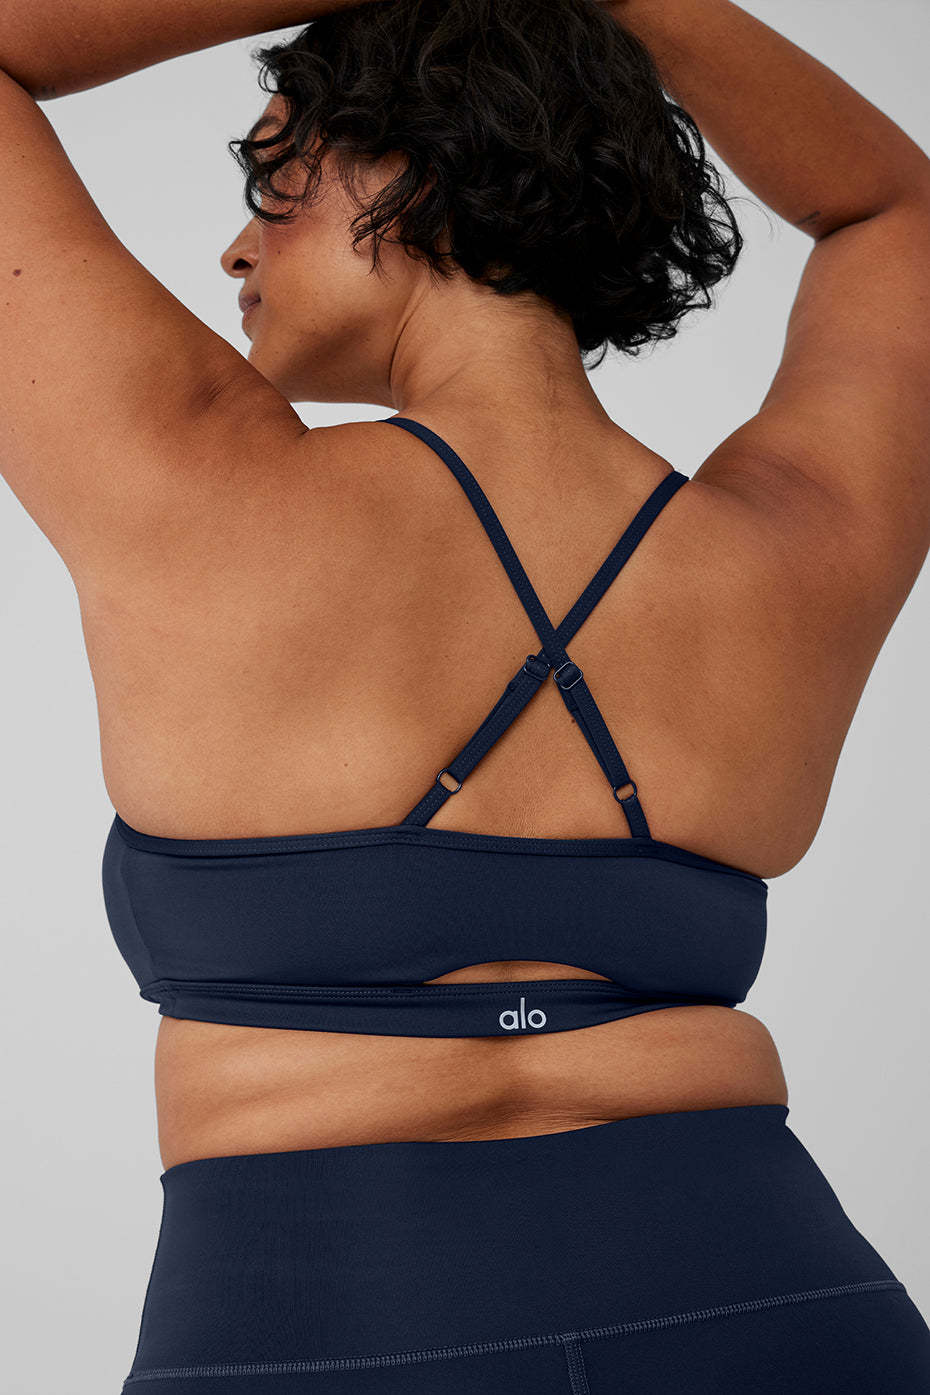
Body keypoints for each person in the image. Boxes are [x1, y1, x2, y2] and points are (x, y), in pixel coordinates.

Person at [2, 0, 929, 1389]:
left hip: (324, 1323)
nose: (237, 246)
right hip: (775, 1306)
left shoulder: (190, 474)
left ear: (417, 172)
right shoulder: (795, 543)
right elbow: (893, 212)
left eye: (277, 179)